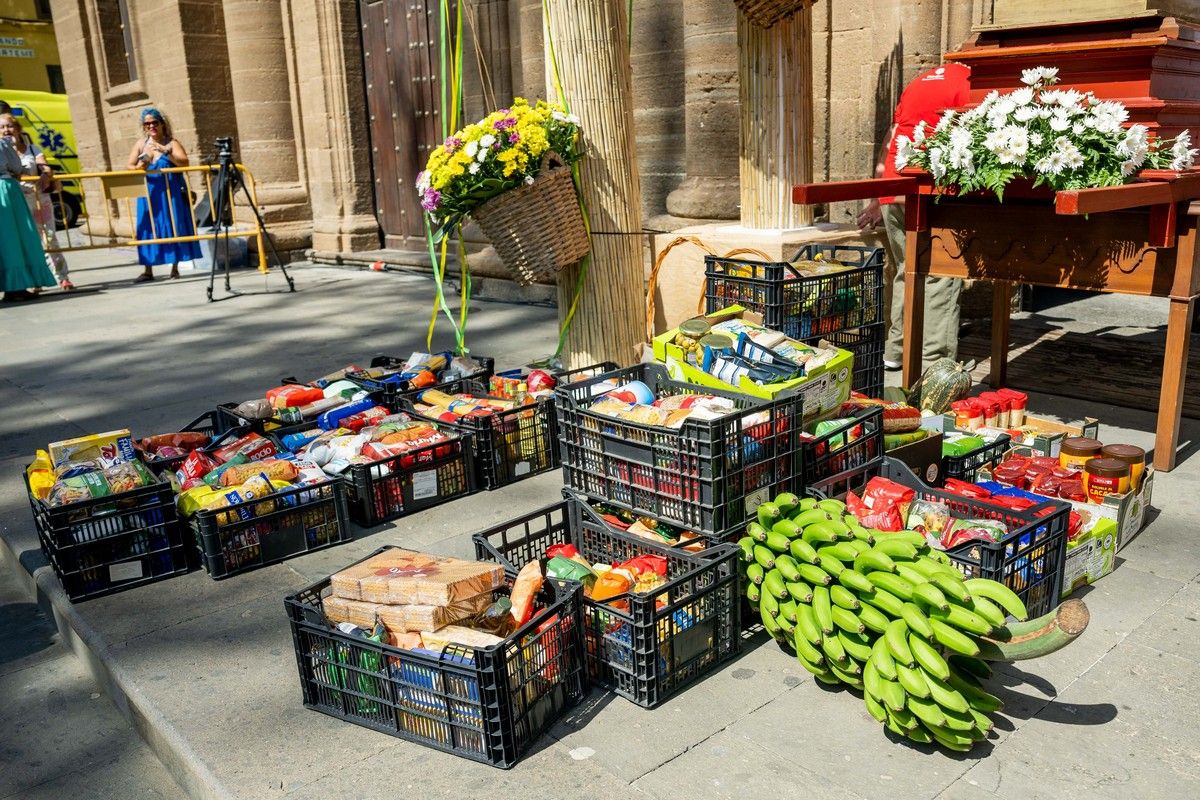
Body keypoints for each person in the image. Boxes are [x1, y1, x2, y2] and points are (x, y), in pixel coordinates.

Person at [858, 63, 971, 369]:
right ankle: (935, 363)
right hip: (931, 186)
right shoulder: (969, 80)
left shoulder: (919, 82)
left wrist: (877, 195)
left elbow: (891, 135)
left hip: (894, 186)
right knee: (941, 272)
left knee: (907, 269)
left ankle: (896, 351)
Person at [126, 107, 201, 282]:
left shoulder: (172, 142)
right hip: (149, 194)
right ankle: (148, 270)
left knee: (172, 224)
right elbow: (129, 165)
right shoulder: (140, 144)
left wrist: (164, 150)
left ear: (162, 124)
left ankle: (174, 268)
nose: (151, 126)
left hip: (171, 192)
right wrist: (139, 167)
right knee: (149, 228)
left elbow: (184, 163)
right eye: (147, 124)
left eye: (154, 123)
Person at [0, 113, 72, 290]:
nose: (6, 130)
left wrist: (46, 174)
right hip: (17, 201)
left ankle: (62, 276)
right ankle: (34, 279)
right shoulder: (3, 149)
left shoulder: (33, 148)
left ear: (17, 128)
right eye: (2, 127)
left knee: (49, 238)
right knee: (25, 240)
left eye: (9, 126)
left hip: (39, 199)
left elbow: (44, 165)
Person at [0, 135, 55, 301]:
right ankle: (15, 286)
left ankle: (13, 286)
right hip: (4, 189)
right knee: (13, 238)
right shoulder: (2, 143)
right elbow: (16, 166)